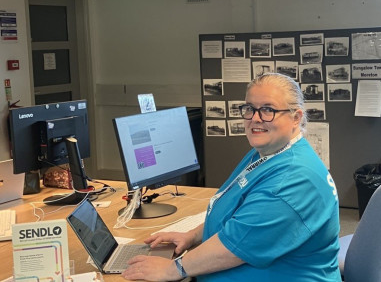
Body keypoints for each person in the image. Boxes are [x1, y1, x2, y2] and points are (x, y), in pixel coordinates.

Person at [122, 73, 341, 281]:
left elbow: (233, 247)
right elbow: (238, 214)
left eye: (268, 110)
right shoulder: (269, 153)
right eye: (249, 108)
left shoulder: (293, 180)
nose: (256, 119)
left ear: (296, 117)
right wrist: (191, 236)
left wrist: (172, 269)